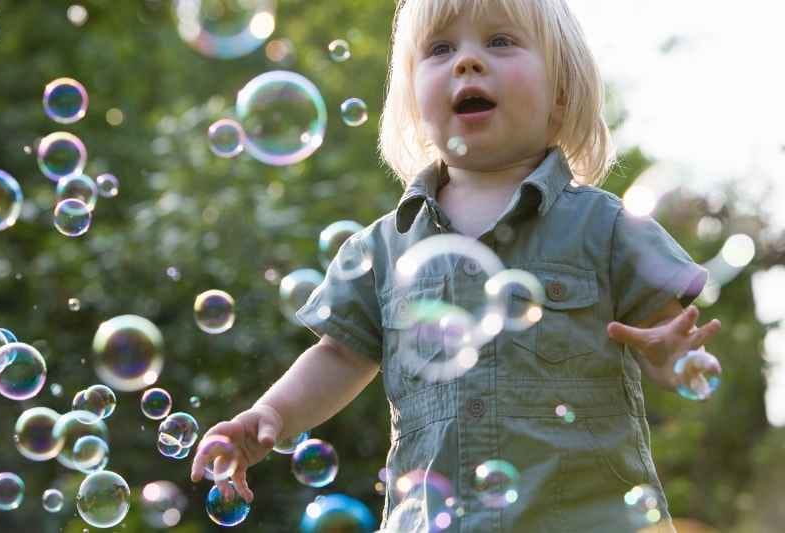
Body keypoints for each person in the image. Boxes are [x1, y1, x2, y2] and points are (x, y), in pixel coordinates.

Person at [191, 0, 723, 531]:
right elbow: (338, 355)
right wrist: (270, 415)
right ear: (413, 101)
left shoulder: (606, 228)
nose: (466, 62)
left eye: (500, 41)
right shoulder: (383, 248)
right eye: (441, 49)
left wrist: (672, 357)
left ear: (560, 93)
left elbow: (665, 330)